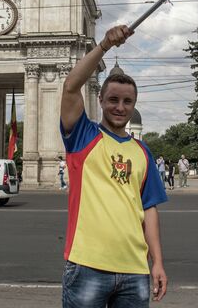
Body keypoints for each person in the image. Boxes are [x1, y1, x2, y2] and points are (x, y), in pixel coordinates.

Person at [60, 24, 168, 306]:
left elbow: (150, 209)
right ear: (101, 100)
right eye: (113, 100)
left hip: (134, 269)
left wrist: (157, 262)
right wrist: (104, 45)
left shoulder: (142, 152)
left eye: (127, 101)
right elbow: (71, 86)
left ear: (134, 105)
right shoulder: (83, 136)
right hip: (87, 265)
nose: (120, 107)